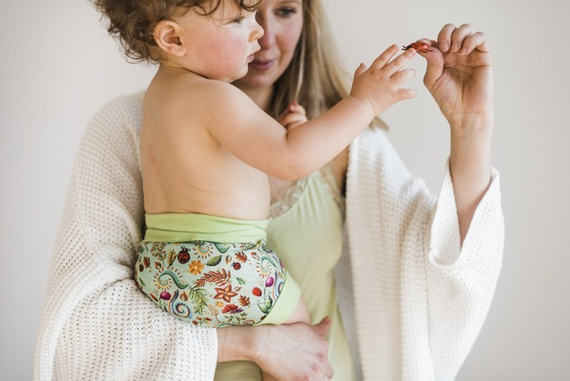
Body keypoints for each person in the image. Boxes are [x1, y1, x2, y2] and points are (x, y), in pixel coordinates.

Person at [34, 0, 504, 380]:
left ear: (308, 15)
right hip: (233, 283)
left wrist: (471, 125)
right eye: (241, 15)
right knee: (300, 326)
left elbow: (444, 263)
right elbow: (86, 326)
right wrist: (256, 345)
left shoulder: (348, 147)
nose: (260, 30)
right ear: (173, 36)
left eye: (282, 9)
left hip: (170, 272)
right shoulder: (126, 128)